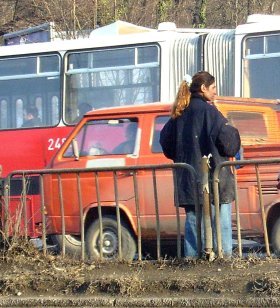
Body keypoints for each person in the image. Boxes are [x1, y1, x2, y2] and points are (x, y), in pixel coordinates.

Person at [160, 71, 241, 258]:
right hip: (215, 178)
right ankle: (223, 259)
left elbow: (166, 143)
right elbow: (229, 144)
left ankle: (192, 262)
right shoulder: (210, 111)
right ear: (203, 88)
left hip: (189, 179)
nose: (215, 92)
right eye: (213, 88)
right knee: (220, 222)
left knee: (193, 221)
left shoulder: (179, 113)